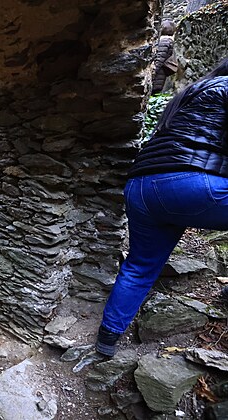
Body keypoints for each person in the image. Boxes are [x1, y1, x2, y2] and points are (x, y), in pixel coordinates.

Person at [96, 57, 228, 357]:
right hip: (191, 184)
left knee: (140, 266)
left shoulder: (189, 94)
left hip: (141, 187)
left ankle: (107, 340)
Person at [151, 20, 177, 94]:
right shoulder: (168, 41)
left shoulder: (164, 41)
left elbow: (160, 58)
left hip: (158, 76)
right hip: (160, 75)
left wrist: (153, 72)